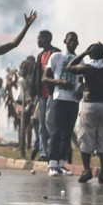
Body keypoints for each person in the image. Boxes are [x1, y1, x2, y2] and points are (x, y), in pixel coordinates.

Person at [67, 43, 103, 183]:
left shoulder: (87, 68)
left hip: (90, 105)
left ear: (90, 55)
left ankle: (87, 170)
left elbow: (70, 67)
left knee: (86, 138)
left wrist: (84, 53)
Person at [42, 31, 80, 176]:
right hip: (59, 98)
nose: (72, 43)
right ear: (65, 41)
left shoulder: (79, 59)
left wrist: (80, 90)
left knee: (67, 133)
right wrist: (59, 82)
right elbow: (45, 79)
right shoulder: (57, 56)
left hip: (72, 101)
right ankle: (52, 164)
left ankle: (61, 163)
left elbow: (81, 80)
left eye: (75, 41)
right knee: (56, 132)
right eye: (70, 40)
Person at [30, 29, 61, 161]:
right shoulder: (40, 56)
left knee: (53, 125)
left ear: (47, 39)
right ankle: (43, 154)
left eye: (40, 38)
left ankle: (55, 153)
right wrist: (33, 93)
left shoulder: (56, 53)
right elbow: (36, 75)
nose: (38, 41)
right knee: (42, 126)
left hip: (54, 94)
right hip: (42, 96)